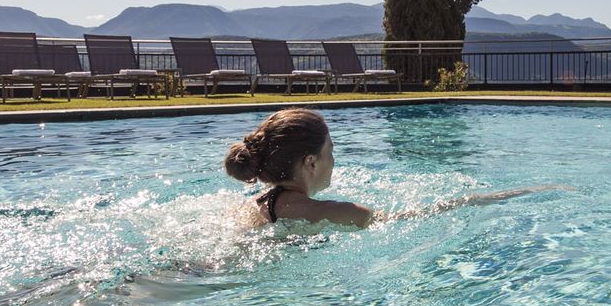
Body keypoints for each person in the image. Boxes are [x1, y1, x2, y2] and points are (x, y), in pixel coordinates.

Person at [224, 107, 550, 227]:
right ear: (311, 162)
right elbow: (403, 221)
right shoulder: (339, 212)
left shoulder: (252, 206)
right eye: (330, 152)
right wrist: (474, 200)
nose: (334, 162)